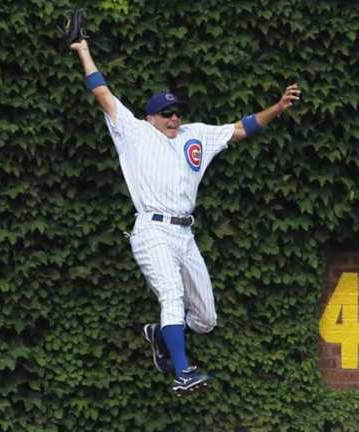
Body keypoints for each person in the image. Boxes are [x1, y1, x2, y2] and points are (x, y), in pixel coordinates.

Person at [70, 39, 300, 396]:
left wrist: (278, 107)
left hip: (184, 235)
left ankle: (161, 335)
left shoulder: (196, 135)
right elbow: (101, 92)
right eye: (166, 113)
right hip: (152, 230)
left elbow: (242, 128)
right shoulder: (135, 131)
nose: (173, 118)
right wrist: (83, 51)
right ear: (151, 117)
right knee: (172, 294)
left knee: (206, 319)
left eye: (177, 112)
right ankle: (183, 372)